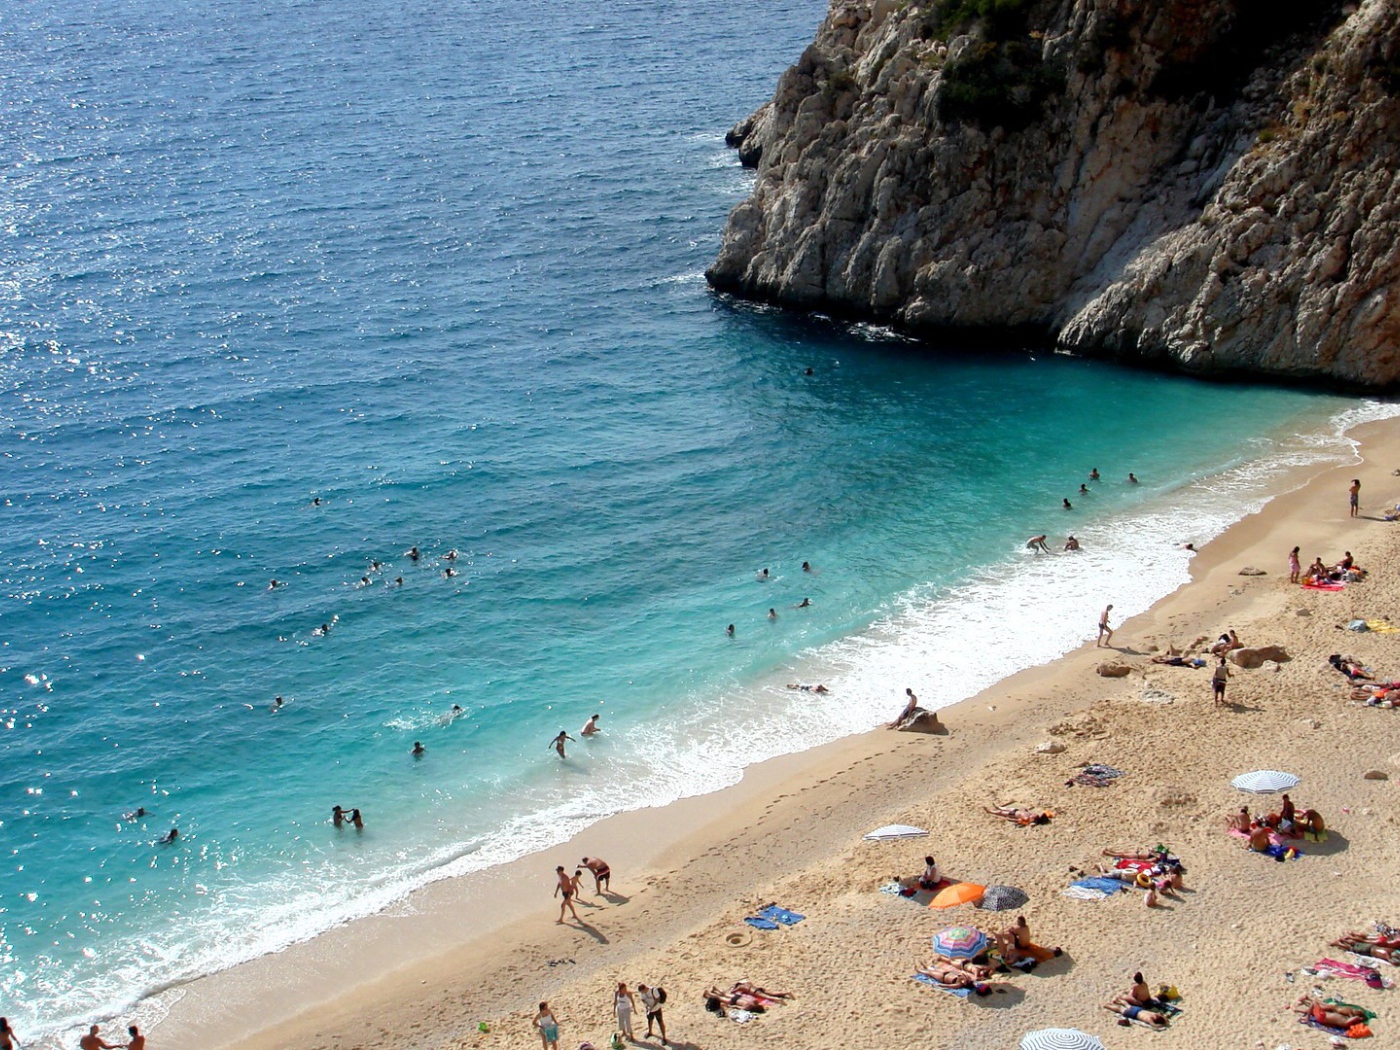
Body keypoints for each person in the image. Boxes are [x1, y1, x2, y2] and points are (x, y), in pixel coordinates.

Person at [1293, 995, 1370, 1029]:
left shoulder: (1346, 1022)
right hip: (1323, 1016)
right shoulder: (1346, 1020)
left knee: (1315, 1003)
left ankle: (1306, 1015)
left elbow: (1355, 1018)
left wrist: (1359, 1018)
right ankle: (1298, 1009)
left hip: (1322, 1016)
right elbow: (1354, 1018)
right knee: (1317, 1007)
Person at [1102, 1001, 1169, 1027]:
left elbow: (1154, 1025)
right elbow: (1162, 1018)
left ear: (1156, 1019)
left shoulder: (1150, 1019)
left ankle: (1108, 1005)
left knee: (1121, 1009)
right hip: (1137, 1010)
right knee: (1125, 1007)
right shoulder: (1153, 1016)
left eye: (1157, 1016)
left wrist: (1163, 1024)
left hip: (1135, 1013)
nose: (1157, 1014)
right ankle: (1117, 1001)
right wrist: (1165, 1021)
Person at [985, 803, 1052, 826]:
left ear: (1033, 818)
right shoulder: (1030, 814)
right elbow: (1027, 811)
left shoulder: (1027, 818)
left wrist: (1010, 819)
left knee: (1001, 812)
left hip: (1013, 814)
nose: (1034, 814)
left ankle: (991, 811)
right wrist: (1026, 809)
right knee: (1006, 808)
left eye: (1034, 815)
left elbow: (1018, 820)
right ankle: (998, 807)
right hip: (1016, 810)